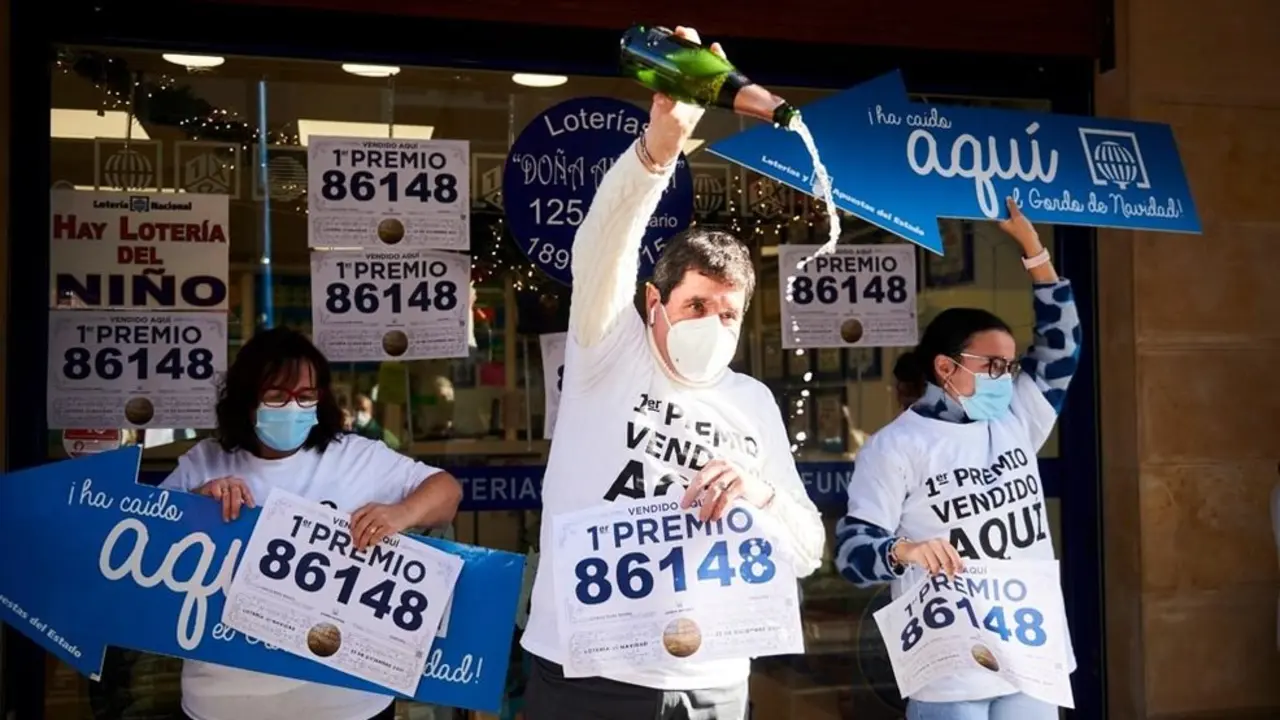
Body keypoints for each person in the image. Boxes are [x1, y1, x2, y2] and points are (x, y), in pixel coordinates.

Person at [520, 25, 825, 720]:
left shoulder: (753, 404)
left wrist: (759, 496)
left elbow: (808, 548)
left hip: (712, 681)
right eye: (695, 306)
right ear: (655, 303)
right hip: (586, 675)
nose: (711, 326)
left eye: (727, 313)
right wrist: (660, 151)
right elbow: (603, 242)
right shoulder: (609, 351)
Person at [835, 199, 1082, 720]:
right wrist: (904, 551)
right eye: (992, 364)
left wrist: (1033, 250)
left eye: (1009, 364)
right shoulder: (895, 446)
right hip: (948, 665)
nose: (1005, 375)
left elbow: (1062, 346)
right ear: (945, 367)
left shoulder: (1015, 416)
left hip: (1029, 655)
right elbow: (852, 553)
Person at [159, 327, 463, 720]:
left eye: (305, 397)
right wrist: (199, 503)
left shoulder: (356, 456)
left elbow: (447, 492)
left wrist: (401, 514)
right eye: (275, 396)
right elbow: (150, 538)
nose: (292, 408)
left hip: (350, 706)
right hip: (221, 705)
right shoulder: (205, 462)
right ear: (246, 399)